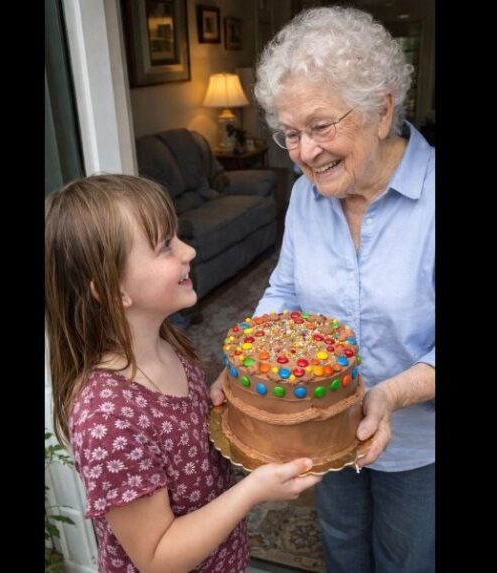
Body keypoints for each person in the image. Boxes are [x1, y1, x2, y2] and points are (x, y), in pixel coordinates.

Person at [211, 7, 435, 572]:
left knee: (407, 558)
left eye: (320, 126)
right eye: (290, 133)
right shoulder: (307, 198)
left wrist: (388, 394)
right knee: (339, 543)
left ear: (381, 110)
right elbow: (284, 291)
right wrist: (251, 365)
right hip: (320, 432)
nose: (305, 153)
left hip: (418, 447)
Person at [45, 174, 321, 573]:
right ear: (111, 290)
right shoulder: (107, 417)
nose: (189, 250)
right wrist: (253, 491)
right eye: (165, 246)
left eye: (179, 236)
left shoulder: (170, 345)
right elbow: (157, 557)